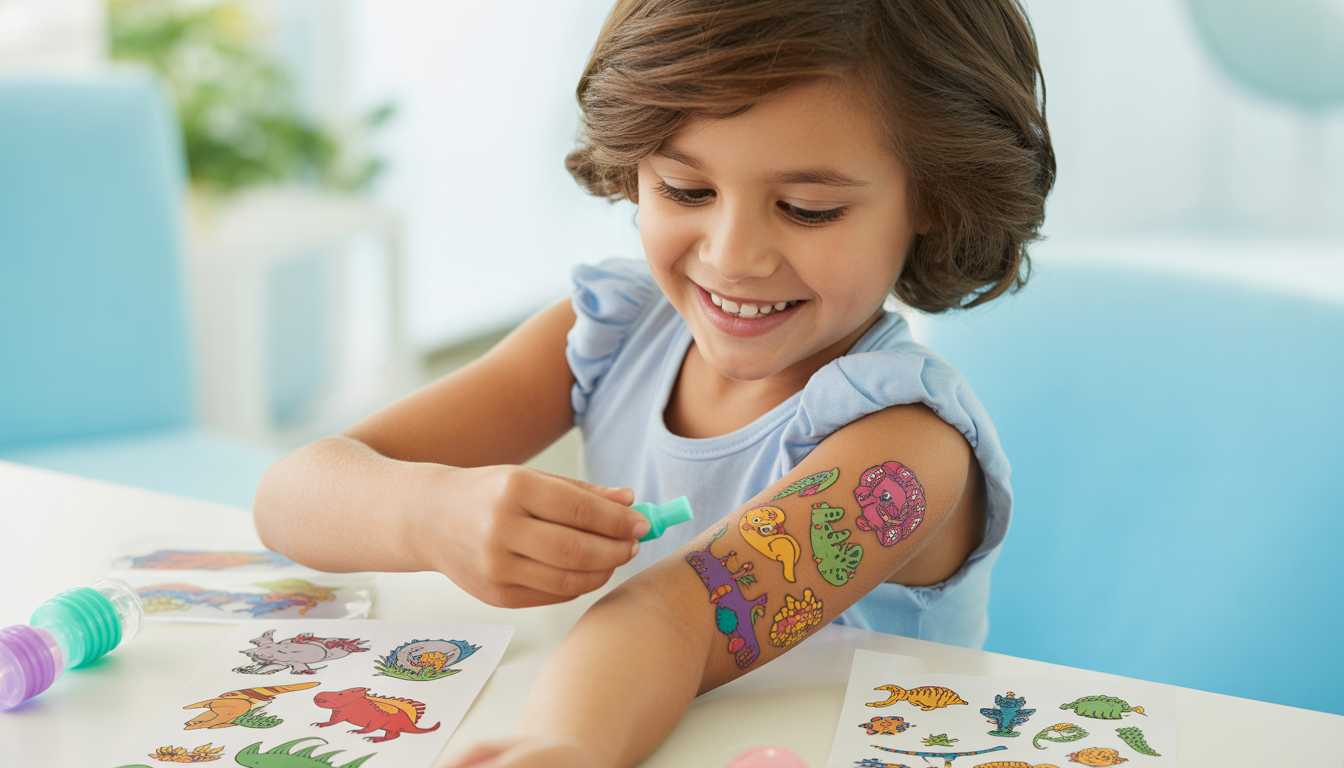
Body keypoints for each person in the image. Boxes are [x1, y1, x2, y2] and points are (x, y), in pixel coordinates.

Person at [253, 0, 1054, 765]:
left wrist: (566, 748)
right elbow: (291, 495)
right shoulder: (613, 330)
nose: (733, 254)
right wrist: (433, 515)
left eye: (807, 208)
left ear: (934, 202)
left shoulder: (905, 451)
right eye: (686, 190)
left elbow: (681, 615)